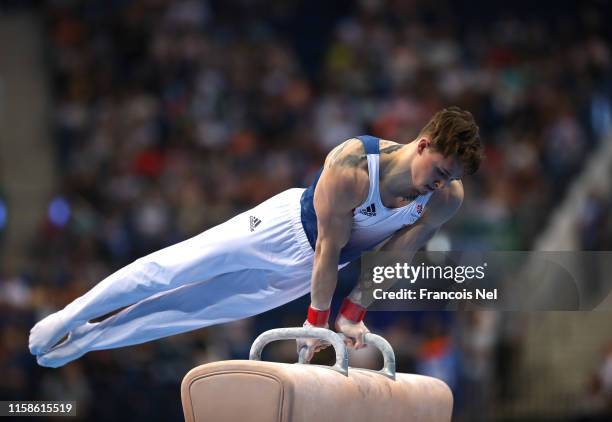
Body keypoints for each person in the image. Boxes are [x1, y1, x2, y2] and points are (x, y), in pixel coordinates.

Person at [29, 106, 482, 367]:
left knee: (189, 312)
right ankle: (71, 317)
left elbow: (392, 255)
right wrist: (315, 322)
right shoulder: (355, 166)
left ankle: (87, 342)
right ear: (422, 144)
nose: (440, 184)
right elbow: (328, 246)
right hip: (278, 229)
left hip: (306, 273)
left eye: (450, 178)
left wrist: (352, 313)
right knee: (172, 270)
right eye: (440, 171)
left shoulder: (445, 198)